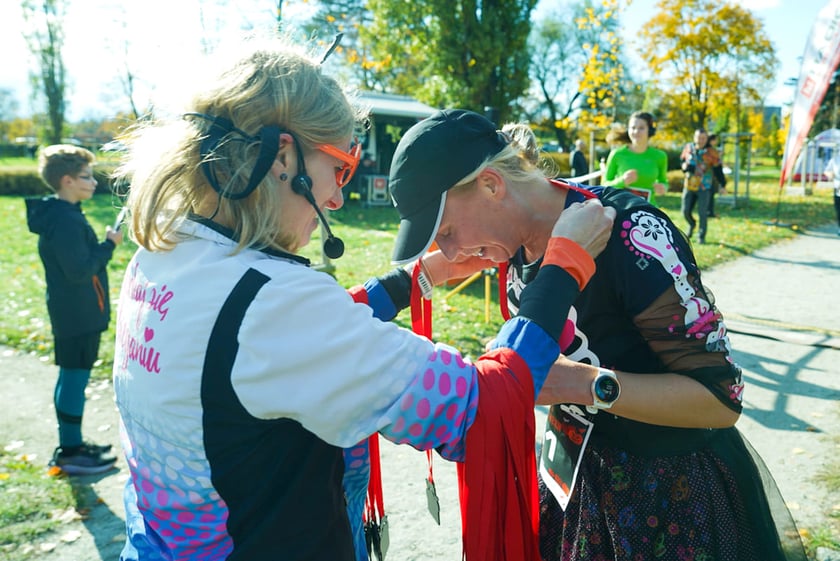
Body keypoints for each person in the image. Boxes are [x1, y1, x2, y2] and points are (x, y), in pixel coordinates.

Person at [109, 40, 614, 561]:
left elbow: (267, 353)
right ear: (284, 158)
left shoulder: (162, 254)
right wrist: (562, 267)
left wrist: (411, 280)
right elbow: (475, 407)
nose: (337, 198)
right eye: (341, 168)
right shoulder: (274, 306)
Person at [388, 108, 808, 561]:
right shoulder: (514, 244)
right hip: (574, 490)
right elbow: (441, 267)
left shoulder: (632, 234)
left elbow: (722, 399)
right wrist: (413, 281)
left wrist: (581, 384)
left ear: (492, 184)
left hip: (667, 502)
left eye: (446, 230)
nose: (447, 249)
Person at [25, 144, 124, 475]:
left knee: (71, 375)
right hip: (77, 315)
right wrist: (109, 245)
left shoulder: (61, 213)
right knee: (74, 378)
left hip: (74, 312)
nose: (93, 182)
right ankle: (70, 452)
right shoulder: (65, 221)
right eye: (86, 177)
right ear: (67, 181)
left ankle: (72, 444)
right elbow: (80, 270)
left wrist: (102, 245)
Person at [602, 111, 668, 205]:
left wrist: (663, 188)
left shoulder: (660, 156)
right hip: (622, 207)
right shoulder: (617, 154)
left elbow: (663, 181)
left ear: (649, 130)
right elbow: (604, 185)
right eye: (633, 128)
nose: (636, 132)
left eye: (641, 128)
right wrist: (622, 181)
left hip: (649, 208)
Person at [680, 128, 721, 244]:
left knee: (703, 212)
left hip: (704, 186)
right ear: (694, 137)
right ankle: (692, 224)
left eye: (703, 138)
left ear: (706, 139)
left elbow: (718, 169)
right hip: (689, 185)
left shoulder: (712, 152)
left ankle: (701, 236)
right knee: (685, 211)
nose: (700, 140)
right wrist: (683, 166)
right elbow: (682, 160)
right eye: (698, 137)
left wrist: (722, 185)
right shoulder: (688, 148)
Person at [707, 133, 727, 217]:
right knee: (710, 194)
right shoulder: (710, 150)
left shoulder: (709, 149)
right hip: (710, 176)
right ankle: (709, 211)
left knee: (710, 194)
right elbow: (716, 164)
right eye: (716, 140)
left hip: (709, 176)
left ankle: (709, 211)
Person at [823, 148, 840, 235]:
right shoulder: (835, 160)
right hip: (838, 187)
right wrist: (830, 175)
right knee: (839, 209)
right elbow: (827, 170)